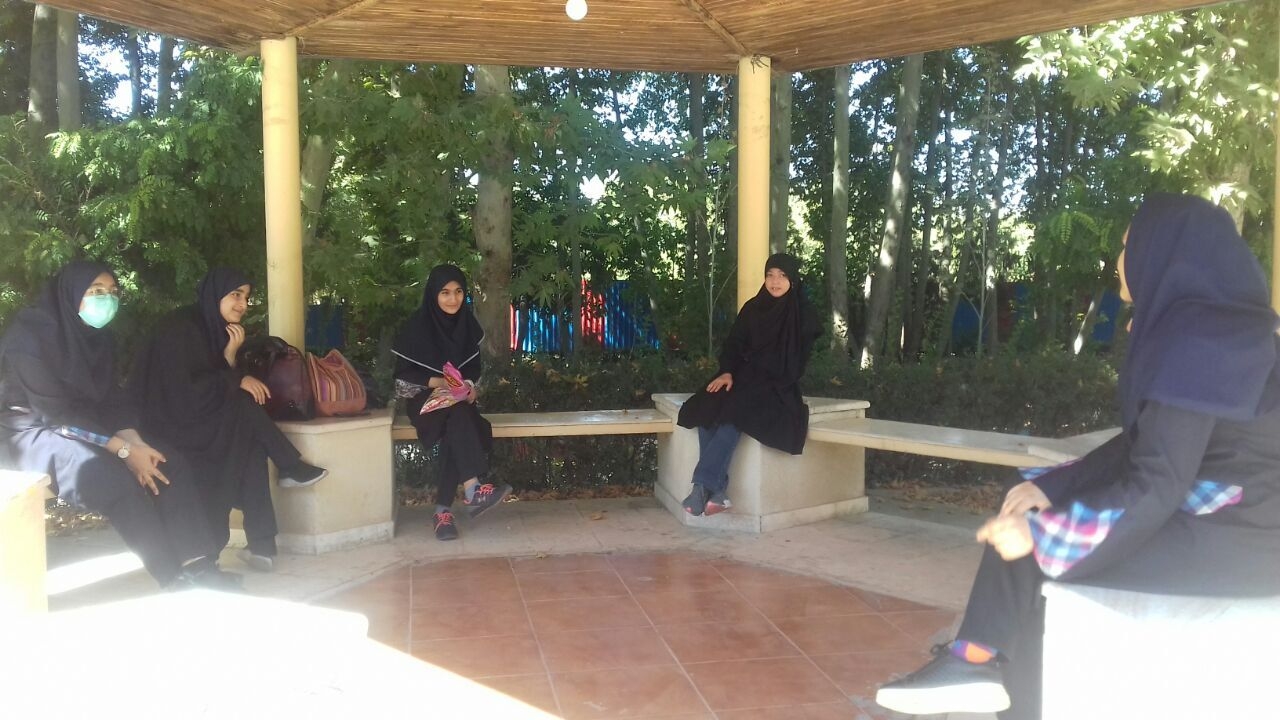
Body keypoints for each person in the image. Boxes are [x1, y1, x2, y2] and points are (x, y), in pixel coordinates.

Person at [876, 194, 1280, 719]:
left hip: (1245, 538)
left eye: (1129, 246)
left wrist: (1046, 535)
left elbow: (1159, 482)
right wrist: (1051, 487)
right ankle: (984, 669)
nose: (1119, 260)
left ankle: (974, 661)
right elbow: (1147, 441)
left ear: (1165, 253)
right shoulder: (1215, 328)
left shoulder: (1202, 340)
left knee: (1031, 546)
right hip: (1224, 512)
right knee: (1025, 495)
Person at [0, 261, 238, 590]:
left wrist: (137, 445)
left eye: (112, 292)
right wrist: (124, 451)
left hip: (88, 425)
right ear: (70, 293)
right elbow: (56, 415)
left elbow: (113, 400)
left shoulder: (99, 338)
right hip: (31, 431)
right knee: (113, 479)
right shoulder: (28, 340)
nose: (107, 299)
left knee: (167, 463)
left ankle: (199, 566)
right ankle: (172, 577)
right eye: (96, 291)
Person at [129, 268, 327, 573]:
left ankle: (261, 544)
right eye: (236, 294)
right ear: (215, 294)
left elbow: (212, 382)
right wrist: (235, 377)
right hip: (168, 424)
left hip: (199, 417)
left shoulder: (217, 329)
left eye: (246, 296)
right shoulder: (180, 329)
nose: (243, 304)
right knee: (242, 412)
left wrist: (231, 358)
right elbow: (183, 392)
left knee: (248, 442)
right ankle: (284, 478)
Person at [676, 253, 822, 515]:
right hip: (742, 375)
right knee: (708, 402)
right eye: (770, 275)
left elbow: (796, 364)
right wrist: (727, 372)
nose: (775, 281)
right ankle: (716, 492)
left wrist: (763, 378)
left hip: (777, 382)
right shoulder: (753, 308)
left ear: (793, 280)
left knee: (735, 411)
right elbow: (734, 344)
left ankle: (701, 487)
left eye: (782, 276)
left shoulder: (803, 316)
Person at [393, 264, 511, 541]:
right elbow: (401, 380)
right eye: (445, 292)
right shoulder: (416, 328)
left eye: (458, 292)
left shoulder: (467, 326)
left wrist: (469, 387)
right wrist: (439, 382)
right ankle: (471, 492)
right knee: (459, 417)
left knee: (456, 423)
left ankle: (446, 510)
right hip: (424, 403)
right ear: (433, 294)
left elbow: (474, 371)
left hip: (457, 404)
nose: (453, 299)